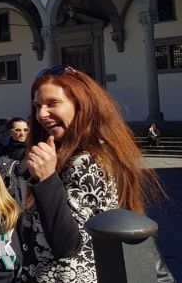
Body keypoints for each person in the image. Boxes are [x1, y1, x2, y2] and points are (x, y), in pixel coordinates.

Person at [21, 65, 162, 281]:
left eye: (53, 103)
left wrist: (47, 180)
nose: (41, 114)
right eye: (37, 106)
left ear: (81, 105)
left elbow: (67, 244)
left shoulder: (86, 160)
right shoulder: (87, 152)